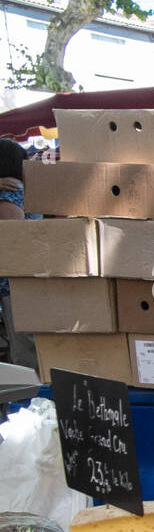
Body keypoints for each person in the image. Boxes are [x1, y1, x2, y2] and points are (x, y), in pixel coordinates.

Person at [0, 139, 39, 367]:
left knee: (25, 354)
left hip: (16, 283)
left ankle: (31, 400)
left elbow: (13, 240)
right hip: (24, 281)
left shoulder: (9, 193)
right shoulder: (23, 190)